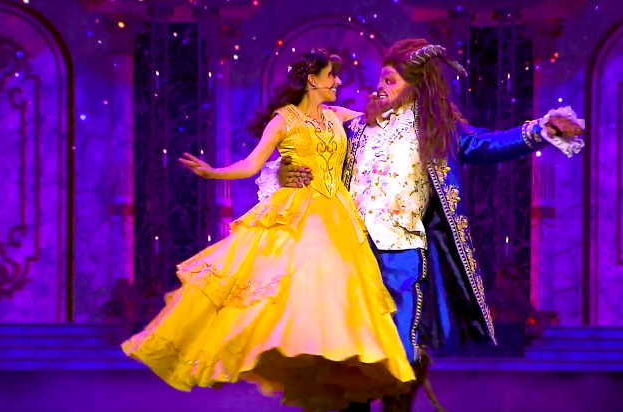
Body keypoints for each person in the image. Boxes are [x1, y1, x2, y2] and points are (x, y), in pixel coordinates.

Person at [257, 38, 585, 412]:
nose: (380, 87)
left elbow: (489, 144)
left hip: (403, 254)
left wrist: (541, 130)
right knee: (351, 348)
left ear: (415, 86)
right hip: (351, 256)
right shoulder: (356, 129)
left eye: (390, 80)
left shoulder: (437, 132)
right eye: (381, 79)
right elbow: (316, 156)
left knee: (402, 349)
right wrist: (287, 171)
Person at [121, 49, 415, 412]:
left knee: (338, 296)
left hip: (338, 215)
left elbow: (384, 119)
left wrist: (410, 92)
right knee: (289, 291)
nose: (338, 81)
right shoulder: (283, 120)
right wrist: (212, 172)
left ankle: (335, 363)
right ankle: (295, 355)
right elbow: (250, 164)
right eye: (332, 75)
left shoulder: (337, 115)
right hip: (299, 213)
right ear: (312, 80)